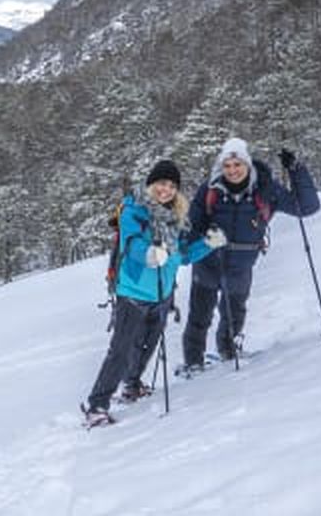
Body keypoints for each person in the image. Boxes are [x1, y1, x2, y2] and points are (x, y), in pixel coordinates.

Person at [83, 160, 227, 427]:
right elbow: (132, 242)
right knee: (121, 351)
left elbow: (183, 256)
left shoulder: (176, 218)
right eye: (161, 183)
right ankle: (97, 405)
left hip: (162, 294)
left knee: (146, 347)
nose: (166, 189)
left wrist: (208, 244)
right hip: (133, 293)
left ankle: (132, 385)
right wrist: (149, 254)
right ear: (151, 184)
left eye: (172, 185)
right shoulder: (133, 210)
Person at [181, 138, 320, 371]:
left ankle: (228, 350)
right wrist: (198, 242)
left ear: (247, 164)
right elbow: (192, 225)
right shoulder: (210, 189)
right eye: (227, 165)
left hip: (241, 264)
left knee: (234, 313)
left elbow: (306, 207)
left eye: (237, 165)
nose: (232, 170)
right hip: (209, 261)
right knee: (199, 315)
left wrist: (297, 170)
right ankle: (193, 363)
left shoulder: (266, 189)